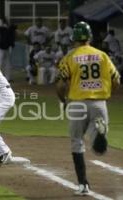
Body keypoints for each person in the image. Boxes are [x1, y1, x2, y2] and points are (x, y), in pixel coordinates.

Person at [56, 21, 121, 196]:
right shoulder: (102, 55)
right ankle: (98, 133)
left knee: (77, 142)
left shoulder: (70, 57)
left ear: (73, 38)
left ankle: (83, 184)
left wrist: (63, 101)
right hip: (99, 102)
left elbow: (61, 84)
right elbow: (116, 80)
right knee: (96, 141)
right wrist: (106, 94)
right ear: (90, 37)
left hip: (77, 103)